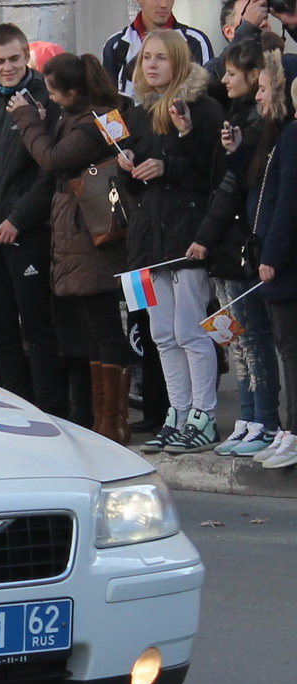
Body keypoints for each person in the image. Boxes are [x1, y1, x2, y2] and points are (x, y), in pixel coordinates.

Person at [9, 54, 136, 441]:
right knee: (89, 330)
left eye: (52, 91)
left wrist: (28, 119)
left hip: (94, 235)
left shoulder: (95, 122)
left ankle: (113, 421)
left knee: (104, 328)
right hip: (77, 233)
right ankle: (102, 419)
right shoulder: (77, 118)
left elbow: (52, 159)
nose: (48, 97)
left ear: (73, 92)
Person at [118, 29, 226, 453]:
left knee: (189, 330)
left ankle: (205, 416)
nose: (152, 65)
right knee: (162, 333)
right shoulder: (139, 114)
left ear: (179, 61)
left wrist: (171, 161)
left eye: (161, 57)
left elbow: (215, 173)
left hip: (189, 236)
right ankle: (178, 413)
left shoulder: (203, 108)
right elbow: (134, 190)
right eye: (147, 58)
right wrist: (130, 170)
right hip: (150, 239)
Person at [0, 23, 63, 416]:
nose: (7, 68)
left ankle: (50, 411)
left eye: (14, 59)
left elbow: (49, 173)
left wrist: (18, 218)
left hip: (28, 234)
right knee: (1, 329)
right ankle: (18, 409)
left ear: (26, 57)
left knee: (37, 329)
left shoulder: (44, 103)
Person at [193, 39, 283, 455]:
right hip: (229, 245)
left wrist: (204, 237)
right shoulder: (236, 117)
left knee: (253, 338)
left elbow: (240, 188)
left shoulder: (262, 126)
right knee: (237, 338)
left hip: (242, 246)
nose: (224, 80)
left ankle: (264, 420)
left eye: (232, 74)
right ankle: (248, 418)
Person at [245, 52, 297, 466]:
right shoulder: (282, 136)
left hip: (287, 265)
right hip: (284, 261)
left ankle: (294, 431)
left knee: (289, 348)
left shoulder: (292, 136)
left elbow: (286, 202)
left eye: (266, 88)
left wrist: (271, 254)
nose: (259, 96)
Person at [103, 0, 215, 97]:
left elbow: (209, 92)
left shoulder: (195, 41)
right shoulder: (117, 45)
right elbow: (106, 99)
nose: (164, 4)